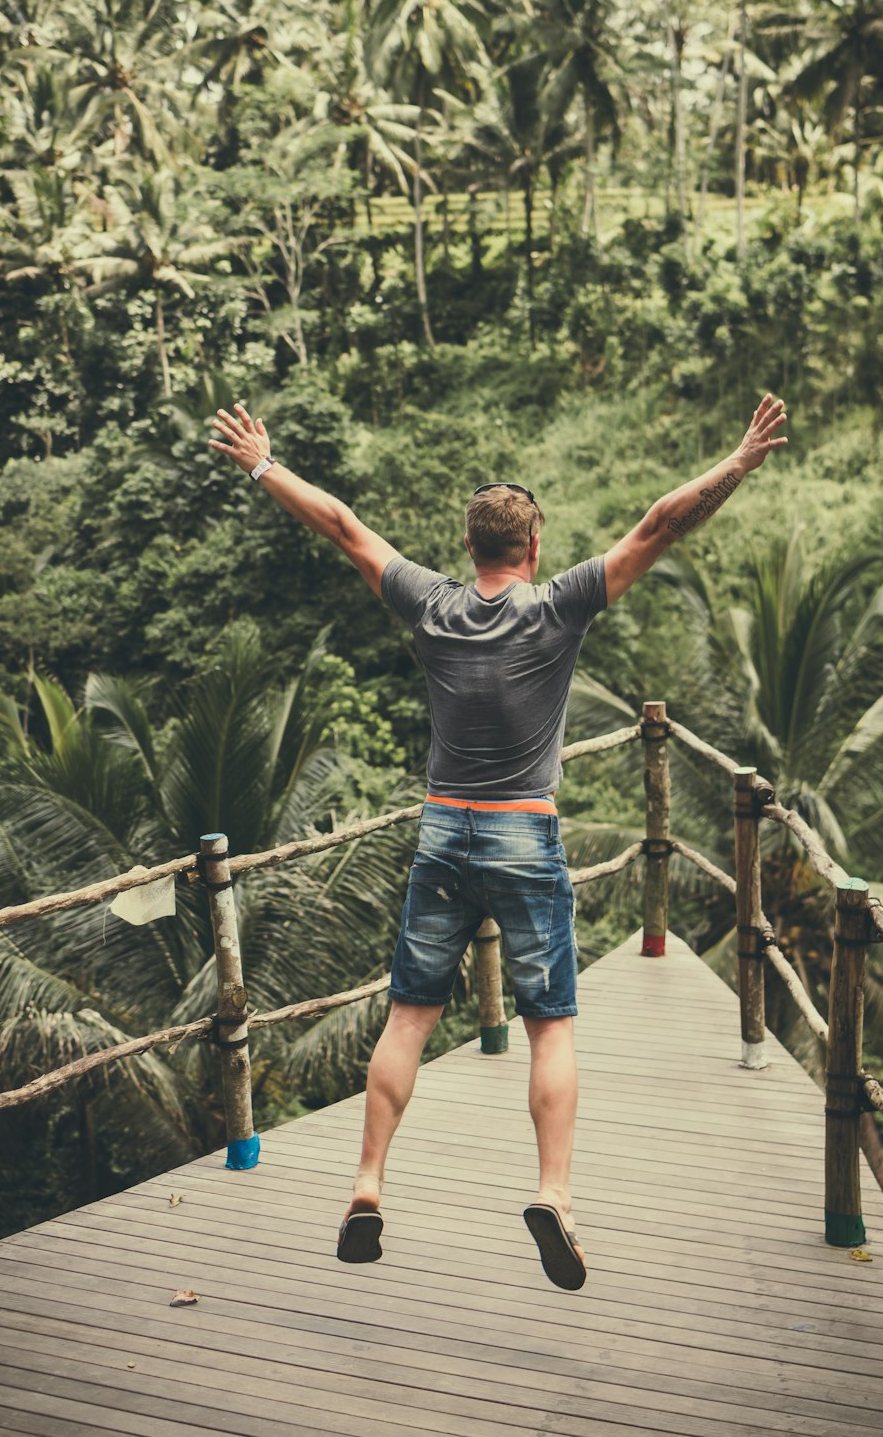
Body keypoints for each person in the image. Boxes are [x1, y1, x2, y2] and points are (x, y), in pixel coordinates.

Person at [209, 394, 788, 1289]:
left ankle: (367, 1184)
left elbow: (343, 525)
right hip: (525, 835)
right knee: (549, 1027)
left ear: (470, 545)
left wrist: (261, 463)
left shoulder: (430, 603)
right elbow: (659, 524)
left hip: (443, 831)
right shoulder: (558, 608)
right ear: (533, 548)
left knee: (409, 1017)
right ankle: (553, 1196)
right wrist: (741, 461)